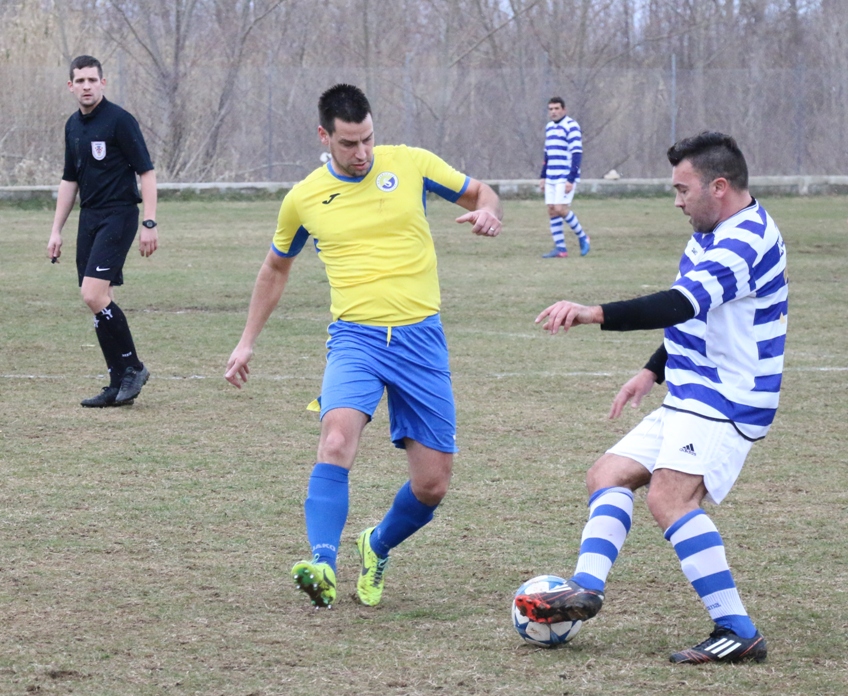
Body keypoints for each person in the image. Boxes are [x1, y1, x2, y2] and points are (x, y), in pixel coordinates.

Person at [224, 84, 503, 610]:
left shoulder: (412, 164)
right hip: (356, 338)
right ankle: (322, 563)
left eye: (368, 139)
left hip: (421, 340)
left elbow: (480, 192)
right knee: (335, 441)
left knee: (433, 486)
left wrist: (489, 212)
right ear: (324, 136)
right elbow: (275, 269)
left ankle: (375, 545)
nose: (362, 154)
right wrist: (246, 342)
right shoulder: (304, 198)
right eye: (350, 143)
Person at [517, 132, 788, 665]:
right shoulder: (709, 233)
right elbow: (693, 314)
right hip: (692, 391)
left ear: (719, 186)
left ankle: (738, 629)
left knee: (670, 500)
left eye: (683, 189)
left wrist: (594, 311)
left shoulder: (745, 241)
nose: (678, 200)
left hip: (729, 399)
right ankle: (585, 590)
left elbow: (678, 302)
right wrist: (651, 371)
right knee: (608, 473)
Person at [47, 55, 158, 407]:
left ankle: (134, 368)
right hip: (89, 218)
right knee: (96, 300)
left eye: (92, 80)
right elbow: (70, 180)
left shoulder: (120, 121)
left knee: (93, 294)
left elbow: (147, 173)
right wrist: (56, 230)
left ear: (102, 83)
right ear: (71, 86)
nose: (86, 86)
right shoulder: (72, 126)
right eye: (79, 81)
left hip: (119, 215)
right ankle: (116, 383)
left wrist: (149, 222)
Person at [539, 97, 590, 258]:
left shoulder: (571, 126)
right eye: (551, 109)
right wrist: (543, 176)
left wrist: (571, 178)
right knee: (552, 210)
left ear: (564, 110)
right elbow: (547, 154)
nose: (553, 112)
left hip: (564, 176)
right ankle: (561, 249)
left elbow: (576, 153)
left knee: (561, 209)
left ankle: (583, 236)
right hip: (551, 176)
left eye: (556, 108)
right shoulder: (549, 128)